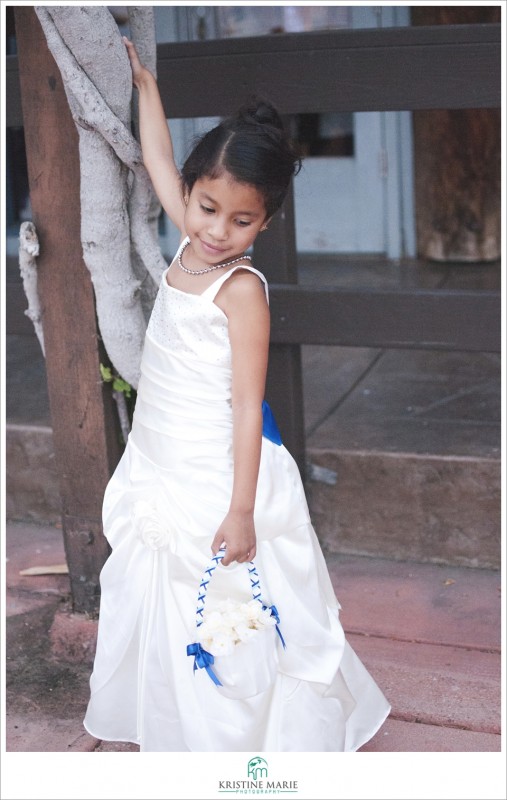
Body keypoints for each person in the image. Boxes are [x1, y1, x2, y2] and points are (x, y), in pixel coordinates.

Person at [83, 37, 390, 752]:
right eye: (207, 207)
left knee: (229, 604)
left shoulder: (240, 290)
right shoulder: (188, 240)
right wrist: (147, 88)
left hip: (217, 474)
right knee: (162, 589)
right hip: (160, 454)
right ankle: (173, 718)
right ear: (191, 195)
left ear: (267, 222)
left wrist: (241, 509)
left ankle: (246, 739)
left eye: (240, 220)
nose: (218, 231)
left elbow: (249, 406)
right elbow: (159, 160)